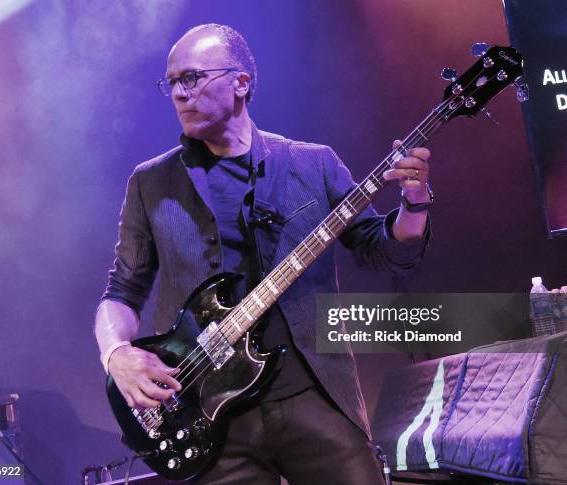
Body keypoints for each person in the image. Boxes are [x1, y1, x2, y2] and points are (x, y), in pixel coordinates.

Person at [95, 23, 432, 484]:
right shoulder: (151, 182)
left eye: (191, 78)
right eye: (171, 83)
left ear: (240, 82)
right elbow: (122, 290)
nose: (178, 93)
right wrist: (115, 353)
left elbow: (382, 251)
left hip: (313, 396)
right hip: (209, 417)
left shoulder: (313, 163)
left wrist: (414, 203)